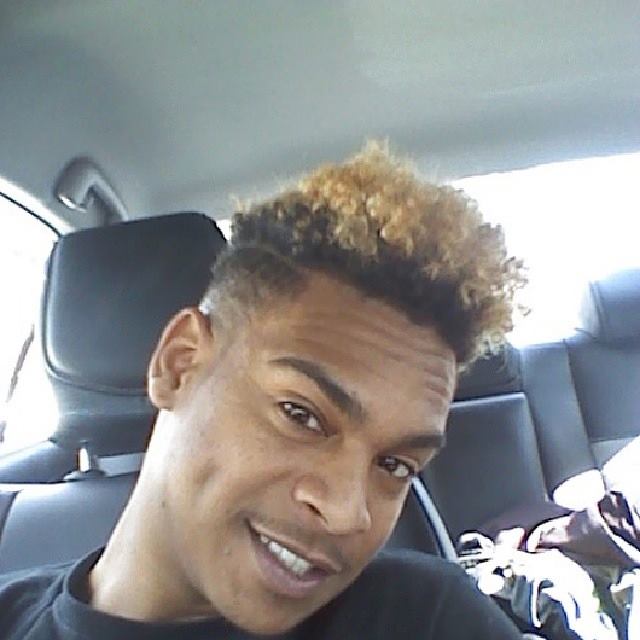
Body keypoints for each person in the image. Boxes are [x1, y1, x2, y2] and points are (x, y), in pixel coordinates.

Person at [0, 143, 525, 638]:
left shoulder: (425, 620)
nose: (347, 513)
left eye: (394, 465)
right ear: (180, 365)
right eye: (301, 415)